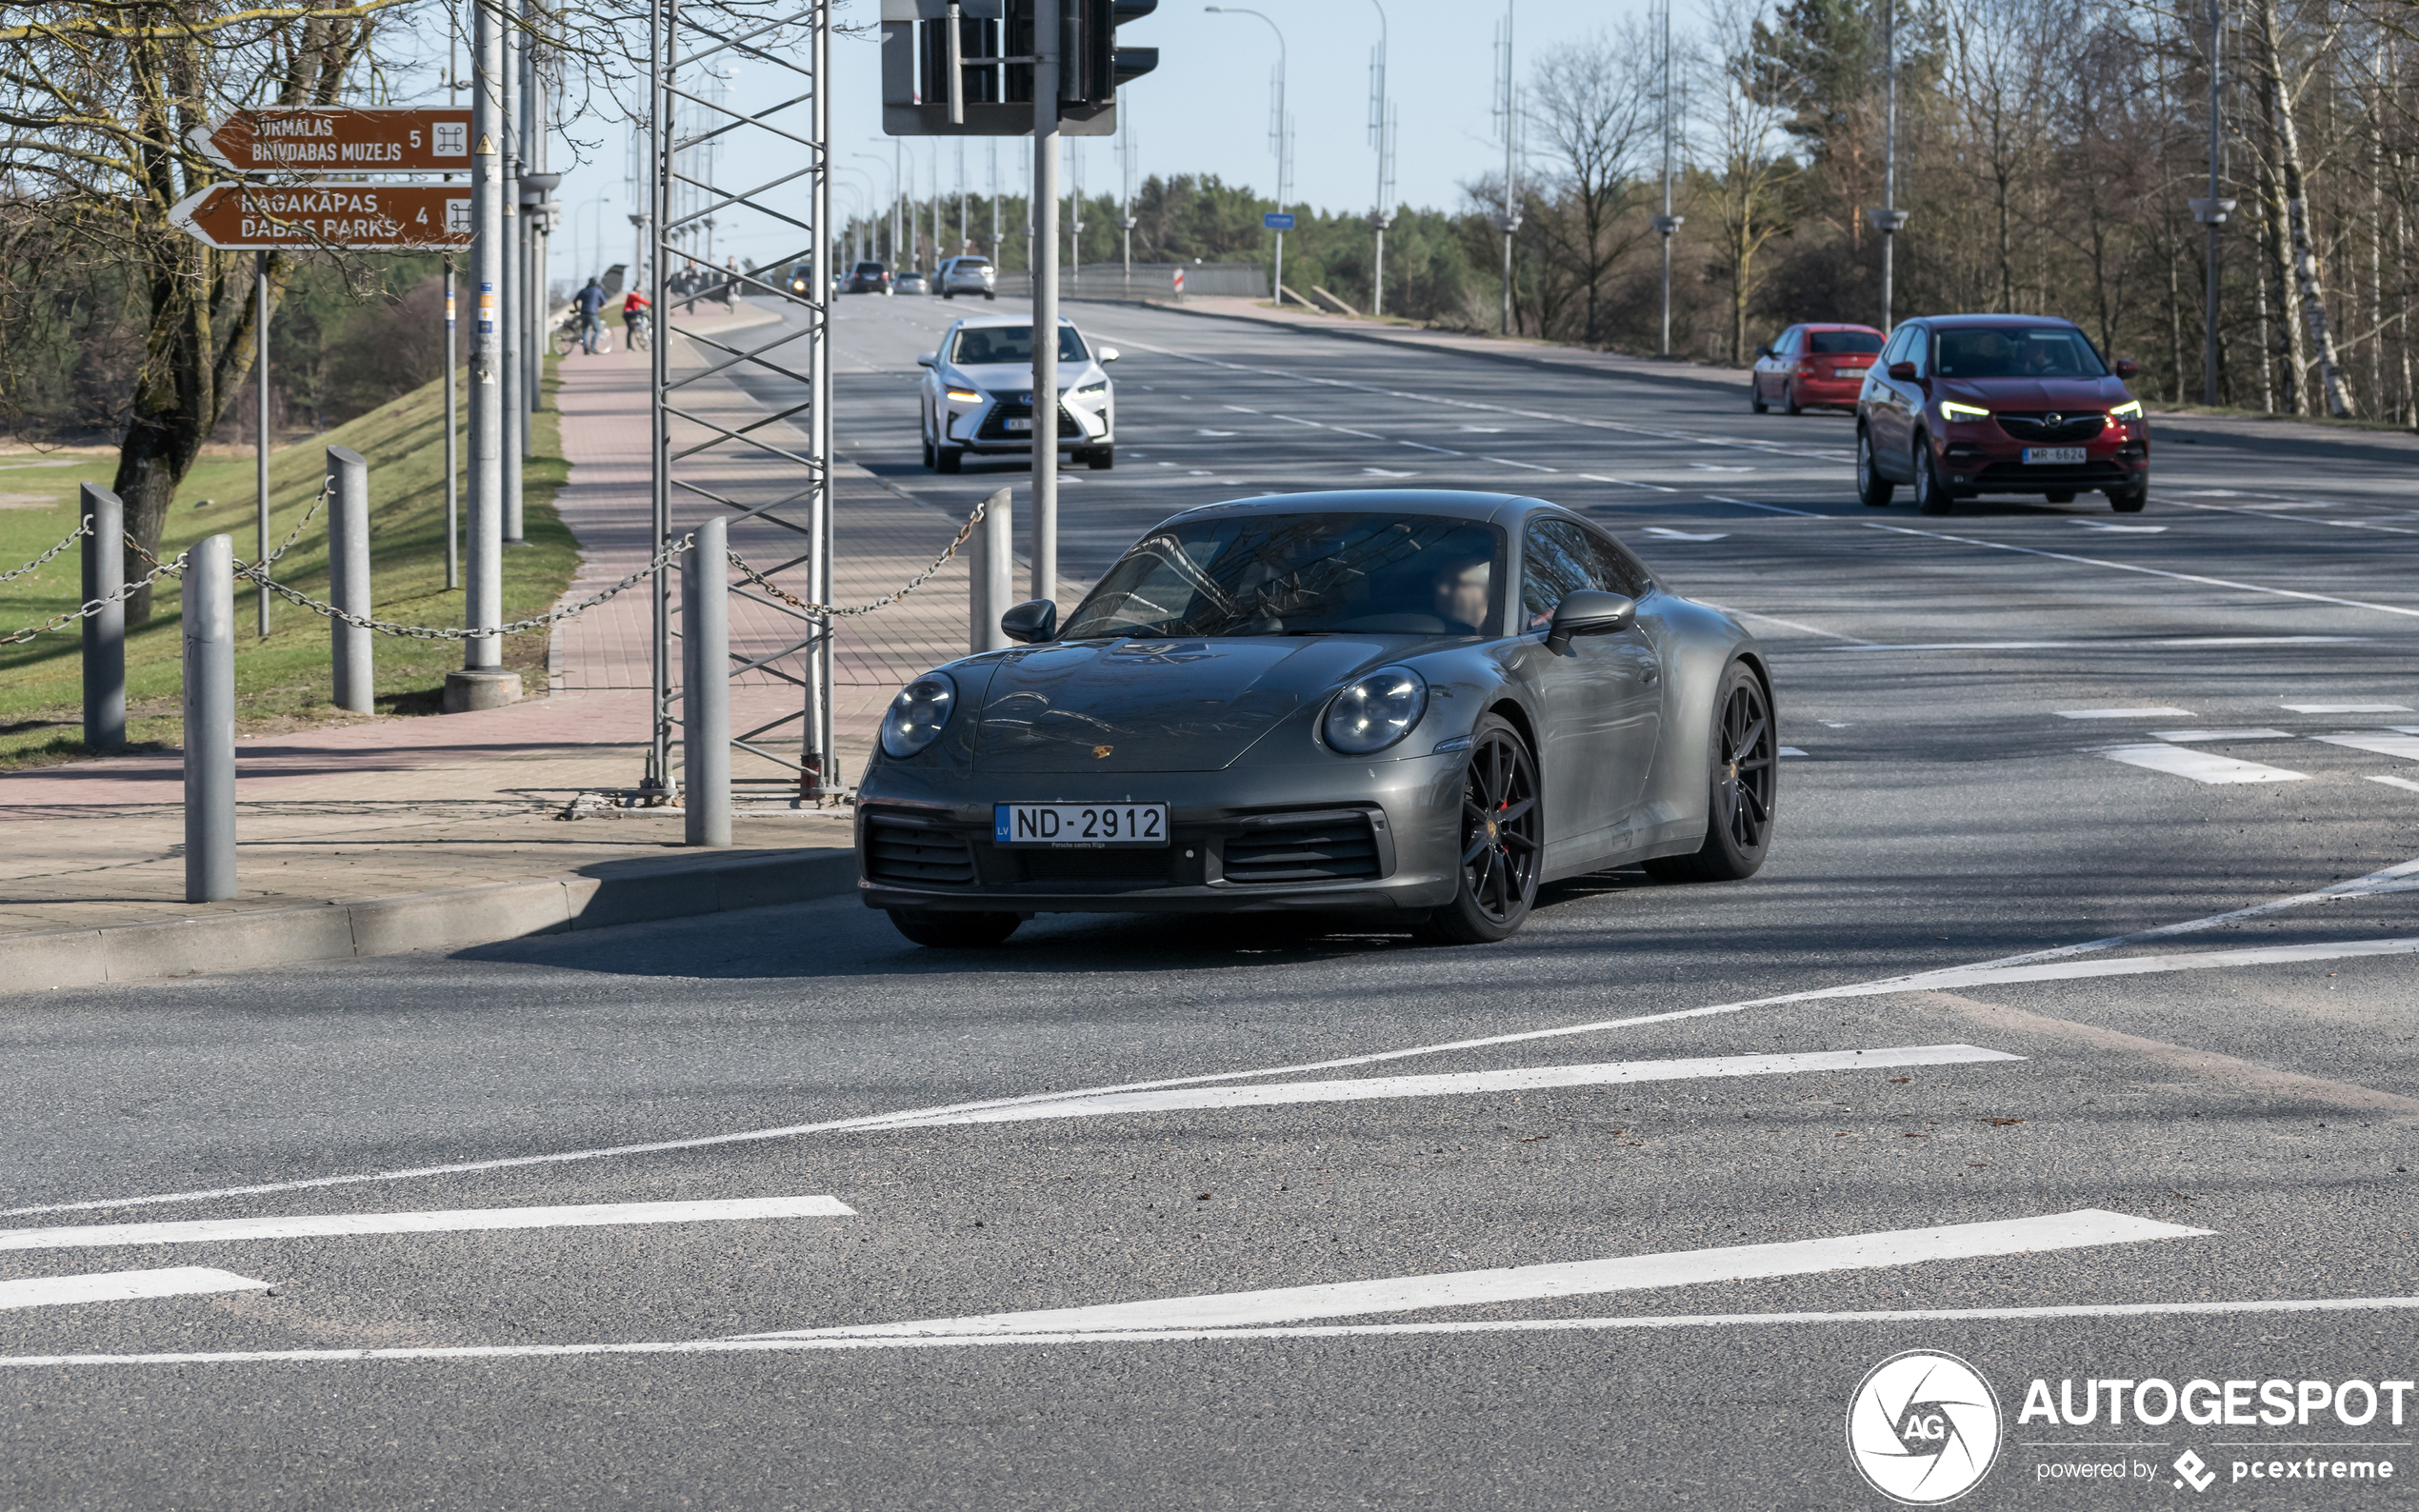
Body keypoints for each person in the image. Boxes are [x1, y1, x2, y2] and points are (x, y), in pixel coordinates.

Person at [1430, 553, 1492, 635]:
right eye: (1441, 581)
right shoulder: (1426, 631)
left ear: (1485, 591)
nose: (1442, 590)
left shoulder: (1502, 639)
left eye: (1455, 582)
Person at [573, 276, 608, 354]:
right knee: (597, 329)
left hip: (583, 312)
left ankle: (586, 348)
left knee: (585, 330)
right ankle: (592, 346)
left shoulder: (583, 291)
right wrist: (600, 305)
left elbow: (575, 300)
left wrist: (577, 309)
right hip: (593, 313)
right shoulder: (598, 291)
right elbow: (603, 301)